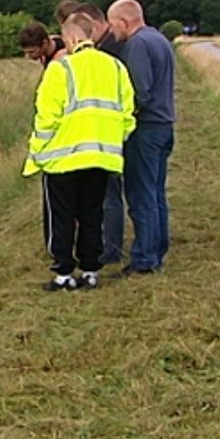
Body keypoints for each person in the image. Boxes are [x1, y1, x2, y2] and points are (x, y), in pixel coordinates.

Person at [23, 17, 136, 291]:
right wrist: (111, 140)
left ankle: (63, 273)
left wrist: (36, 152)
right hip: (100, 157)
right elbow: (128, 115)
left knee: (61, 218)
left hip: (62, 160)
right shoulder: (116, 67)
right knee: (92, 214)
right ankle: (90, 270)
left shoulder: (61, 69)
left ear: (70, 39)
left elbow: (46, 118)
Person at [106, 0, 175, 275]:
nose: (113, 33)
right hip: (164, 125)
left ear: (124, 21)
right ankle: (157, 248)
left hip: (145, 129)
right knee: (156, 192)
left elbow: (139, 92)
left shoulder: (136, 45)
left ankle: (145, 258)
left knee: (140, 194)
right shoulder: (159, 39)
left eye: (113, 25)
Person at [66, 4, 125, 265]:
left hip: (90, 145)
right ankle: (102, 251)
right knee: (101, 201)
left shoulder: (69, 67)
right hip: (109, 142)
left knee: (104, 201)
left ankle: (107, 251)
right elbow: (129, 104)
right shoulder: (114, 60)